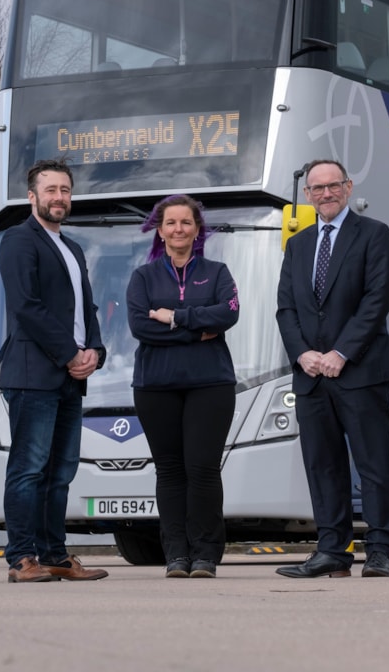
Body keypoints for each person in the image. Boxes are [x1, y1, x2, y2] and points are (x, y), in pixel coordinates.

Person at [275, 159, 389, 579]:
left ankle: (381, 547)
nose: (325, 194)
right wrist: (303, 354)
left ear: (348, 188)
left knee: (373, 463)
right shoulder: (298, 244)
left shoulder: (374, 234)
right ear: (308, 195)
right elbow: (286, 308)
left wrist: (341, 352)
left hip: (359, 372)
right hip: (311, 376)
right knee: (322, 465)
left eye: (333, 186)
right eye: (317, 189)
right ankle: (332, 549)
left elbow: (376, 300)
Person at [0, 158, 109, 583]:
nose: (59, 197)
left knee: (61, 472)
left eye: (65, 190)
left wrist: (95, 350)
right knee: (28, 468)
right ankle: (22, 558)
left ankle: (55, 556)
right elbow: (27, 307)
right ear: (32, 196)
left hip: (69, 378)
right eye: (51, 190)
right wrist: (69, 353)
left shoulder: (73, 248)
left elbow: (86, 309)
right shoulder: (19, 241)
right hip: (33, 374)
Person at [127, 194, 239, 579]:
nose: (179, 229)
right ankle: (176, 555)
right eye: (171, 223)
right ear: (160, 231)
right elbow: (140, 327)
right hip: (155, 387)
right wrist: (196, 329)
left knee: (204, 469)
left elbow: (229, 313)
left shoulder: (218, 272)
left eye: (186, 223)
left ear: (197, 230)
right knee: (170, 471)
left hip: (211, 385)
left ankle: (205, 555)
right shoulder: (143, 277)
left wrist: (175, 318)